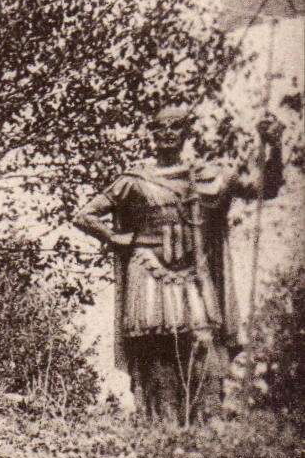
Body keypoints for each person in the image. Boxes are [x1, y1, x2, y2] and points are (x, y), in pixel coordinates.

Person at [74, 104, 283, 425]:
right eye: (161, 128)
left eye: (175, 127)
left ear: (186, 132)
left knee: (203, 340)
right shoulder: (134, 179)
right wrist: (114, 238)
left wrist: (273, 144)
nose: (168, 134)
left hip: (193, 271)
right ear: (152, 134)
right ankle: (163, 424)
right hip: (147, 267)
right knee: (157, 347)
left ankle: (205, 421)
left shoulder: (209, 176)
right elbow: (85, 215)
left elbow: (264, 189)